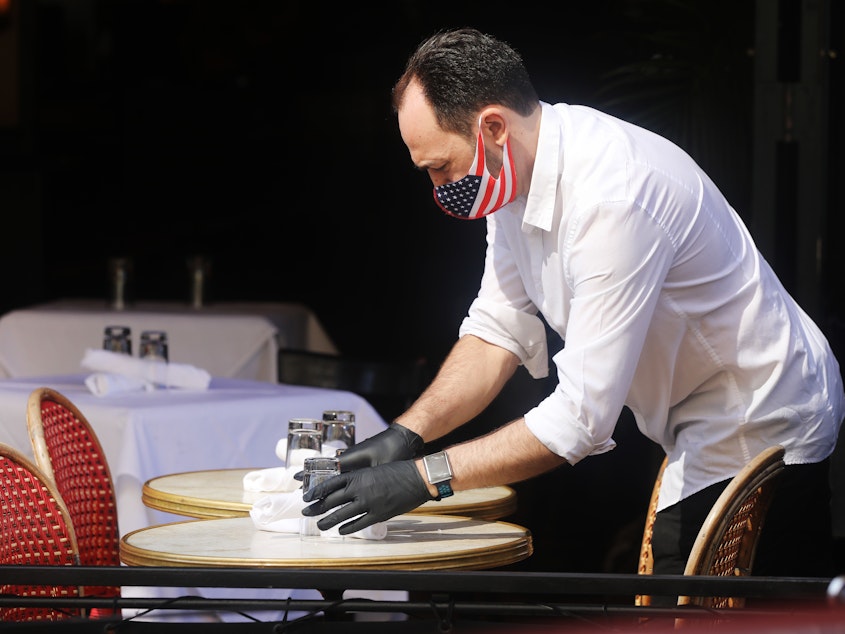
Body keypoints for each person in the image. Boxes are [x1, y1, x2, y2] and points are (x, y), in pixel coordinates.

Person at [302, 27, 845, 581]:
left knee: (700, 613)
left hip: (760, 415)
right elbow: (496, 332)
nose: (438, 185)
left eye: (440, 166)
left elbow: (580, 420)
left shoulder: (613, 196)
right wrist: (407, 434)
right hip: (693, 417)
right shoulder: (510, 176)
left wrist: (423, 477)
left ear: (492, 127)